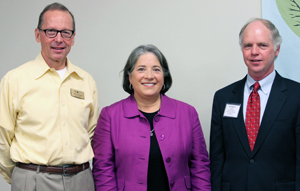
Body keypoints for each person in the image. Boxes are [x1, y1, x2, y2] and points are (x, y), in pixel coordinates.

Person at [0, 3, 99, 191]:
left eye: (66, 32)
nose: (59, 39)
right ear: (38, 35)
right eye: (51, 31)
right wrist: (23, 177)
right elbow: (2, 139)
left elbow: (91, 132)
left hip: (81, 181)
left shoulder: (86, 81)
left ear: (73, 37)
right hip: (33, 180)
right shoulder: (15, 80)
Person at [92, 44, 211, 191]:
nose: (149, 76)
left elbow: (200, 167)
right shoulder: (110, 116)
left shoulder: (187, 113)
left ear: (164, 76)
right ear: (130, 77)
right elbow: (103, 170)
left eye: (156, 69)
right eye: (141, 69)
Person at [210, 18, 300, 191]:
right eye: (248, 46)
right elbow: (216, 159)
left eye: (262, 45)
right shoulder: (223, 98)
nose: (254, 52)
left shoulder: (296, 96)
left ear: (277, 49)